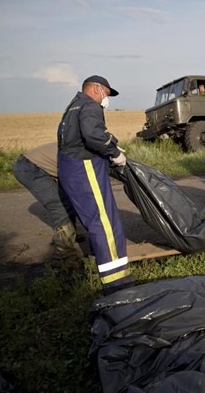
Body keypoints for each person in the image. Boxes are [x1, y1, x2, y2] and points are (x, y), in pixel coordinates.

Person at [57, 75, 134, 295]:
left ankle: (102, 265)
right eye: (107, 94)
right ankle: (118, 284)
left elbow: (80, 137)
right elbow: (92, 135)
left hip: (71, 169)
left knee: (93, 220)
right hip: (85, 169)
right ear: (97, 89)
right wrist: (114, 152)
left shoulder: (73, 106)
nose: (106, 100)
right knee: (105, 223)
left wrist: (110, 146)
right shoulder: (90, 106)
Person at [12, 142, 80, 260]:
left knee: (68, 199)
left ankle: (69, 235)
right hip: (30, 168)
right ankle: (64, 254)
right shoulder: (81, 153)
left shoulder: (82, 145)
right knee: (61, 206)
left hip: (36, 165)